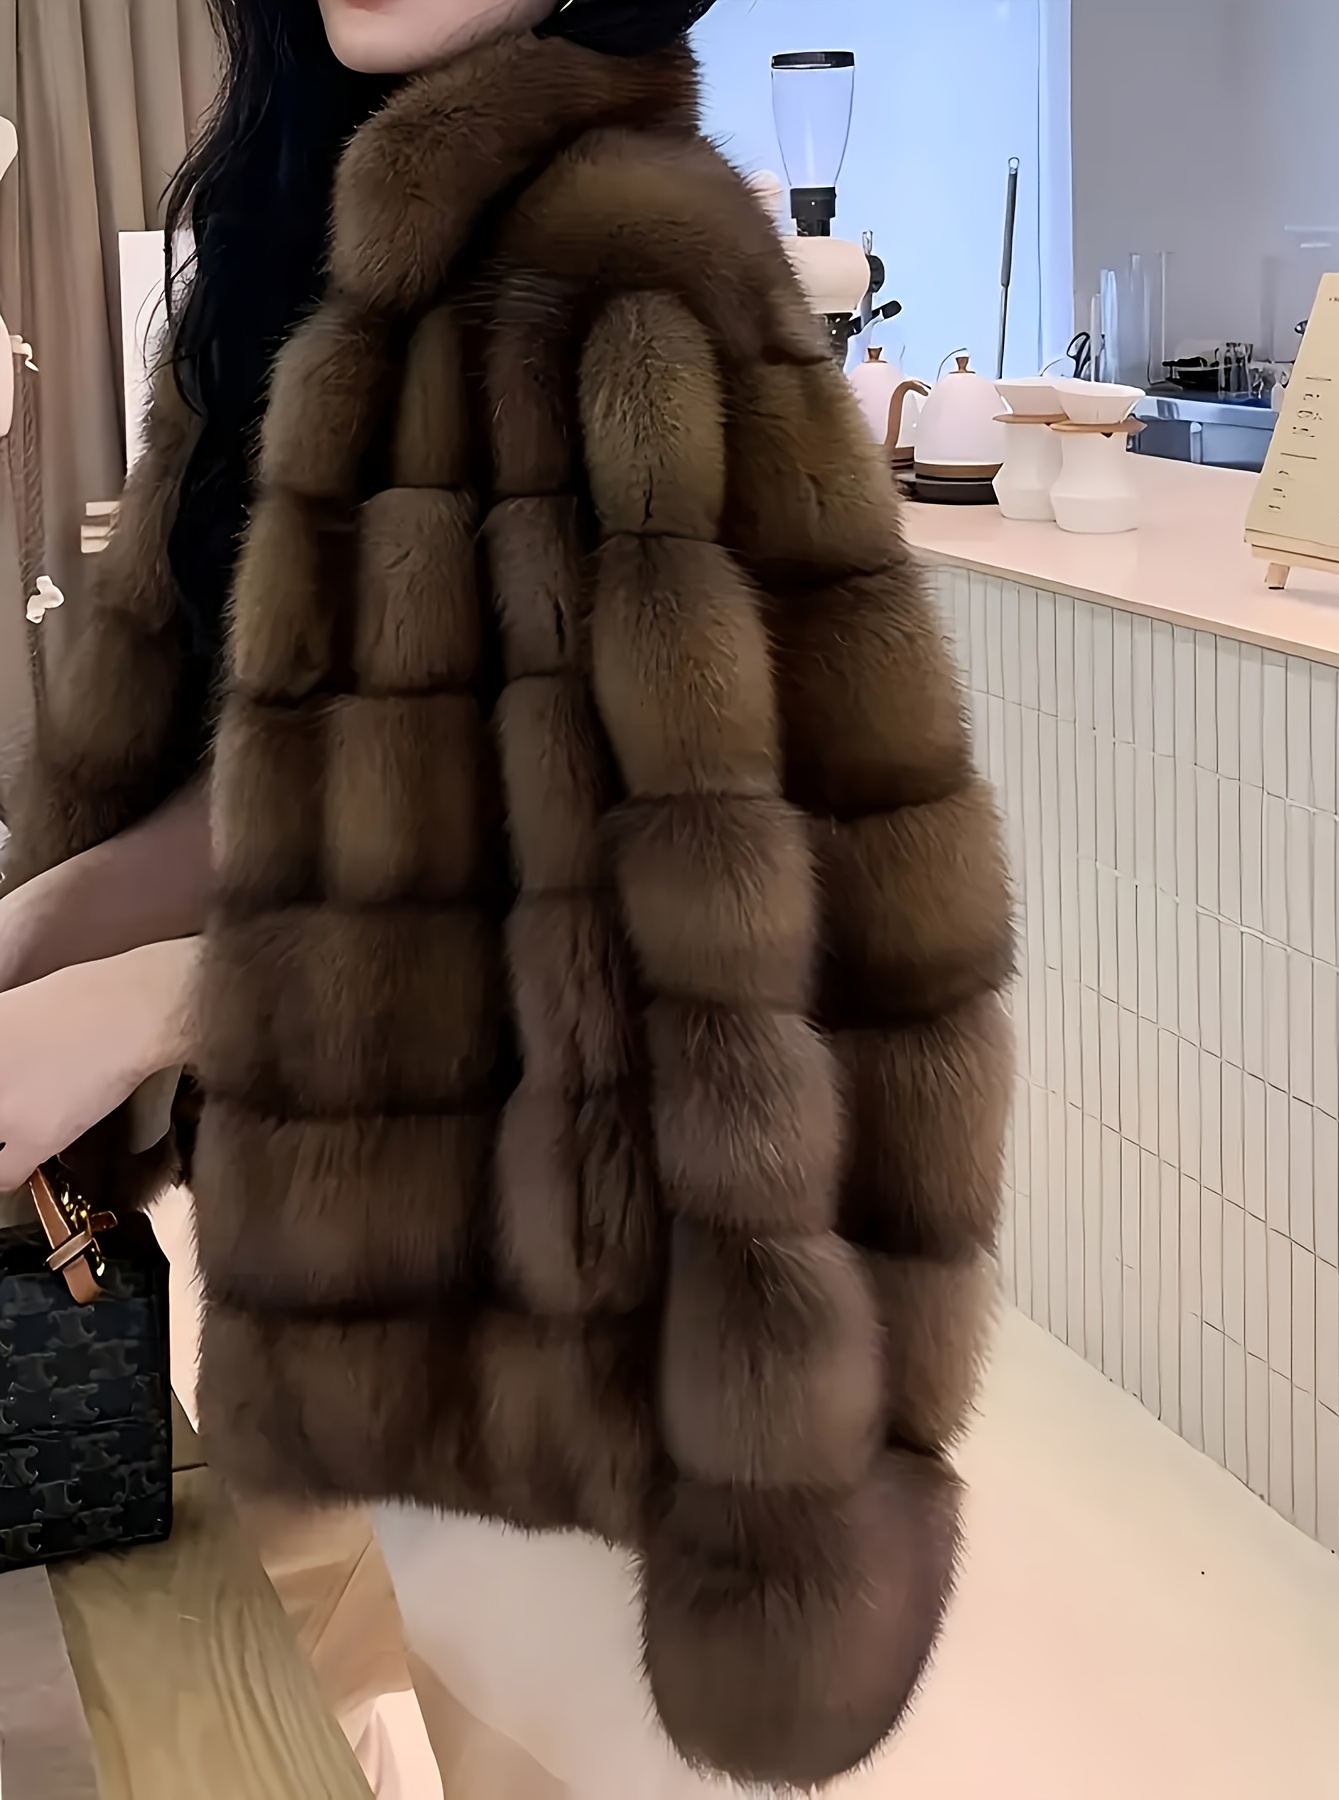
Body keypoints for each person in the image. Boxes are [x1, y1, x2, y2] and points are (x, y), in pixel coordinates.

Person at [0, 1, 1015, 1794]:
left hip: (581, 1353)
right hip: (357, 1286)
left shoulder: (627, 264)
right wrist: (49, 930)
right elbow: (292, 779)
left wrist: (161, 1001)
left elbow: (733, 902)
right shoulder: (306, 239)